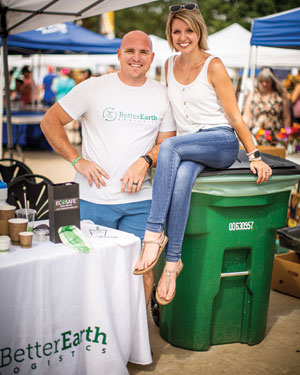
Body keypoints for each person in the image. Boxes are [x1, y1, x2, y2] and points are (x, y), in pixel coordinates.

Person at [133, 3, 272, 305]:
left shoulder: (215, 65)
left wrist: (255, 155)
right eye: (176, 31)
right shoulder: (168, 65)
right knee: (182, 177)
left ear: (199, 32)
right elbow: (169, 112)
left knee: (170, 148)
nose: (183, 36)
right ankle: (172, 263)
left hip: (220, 141)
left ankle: (154, 233)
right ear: (170, 35)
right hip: (188, 145)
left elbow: (235, 118)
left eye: (189, 30)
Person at [40, 30, 176, 306]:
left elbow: (168, 143)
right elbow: (50, 121)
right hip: (93, 199)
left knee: (141, 271)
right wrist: (77, 160)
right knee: (93, 272)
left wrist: (145, 160)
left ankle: (138, 342)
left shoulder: (162, 95)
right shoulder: (93, 87)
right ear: (119, 55)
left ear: (151, 58)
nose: (136, 58)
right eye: (130, 51)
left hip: (141, 201)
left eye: (143, 52)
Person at [243, 67, 291, 144]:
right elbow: (247, 115)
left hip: (275, 137)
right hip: (255, 137)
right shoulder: (253, 93)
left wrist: (286, 136)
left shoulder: (280, 94)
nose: (264, 84)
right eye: (262, 81)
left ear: (273, 81)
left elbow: (286, 117)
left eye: (267, 81)